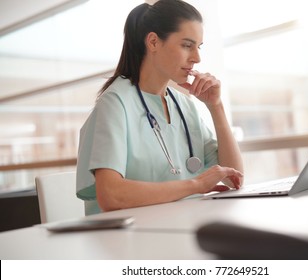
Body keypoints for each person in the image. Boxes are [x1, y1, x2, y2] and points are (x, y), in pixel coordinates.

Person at [76, 0, 244, 215]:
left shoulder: (184, 105)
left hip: (179, 225)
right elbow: (111, 195)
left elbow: (234, 178)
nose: (197, 58)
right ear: (154, 42)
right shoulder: (116, 102)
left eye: (198, 47)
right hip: (127, 239)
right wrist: (196, 185)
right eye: (187, 45)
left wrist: (216, 107)